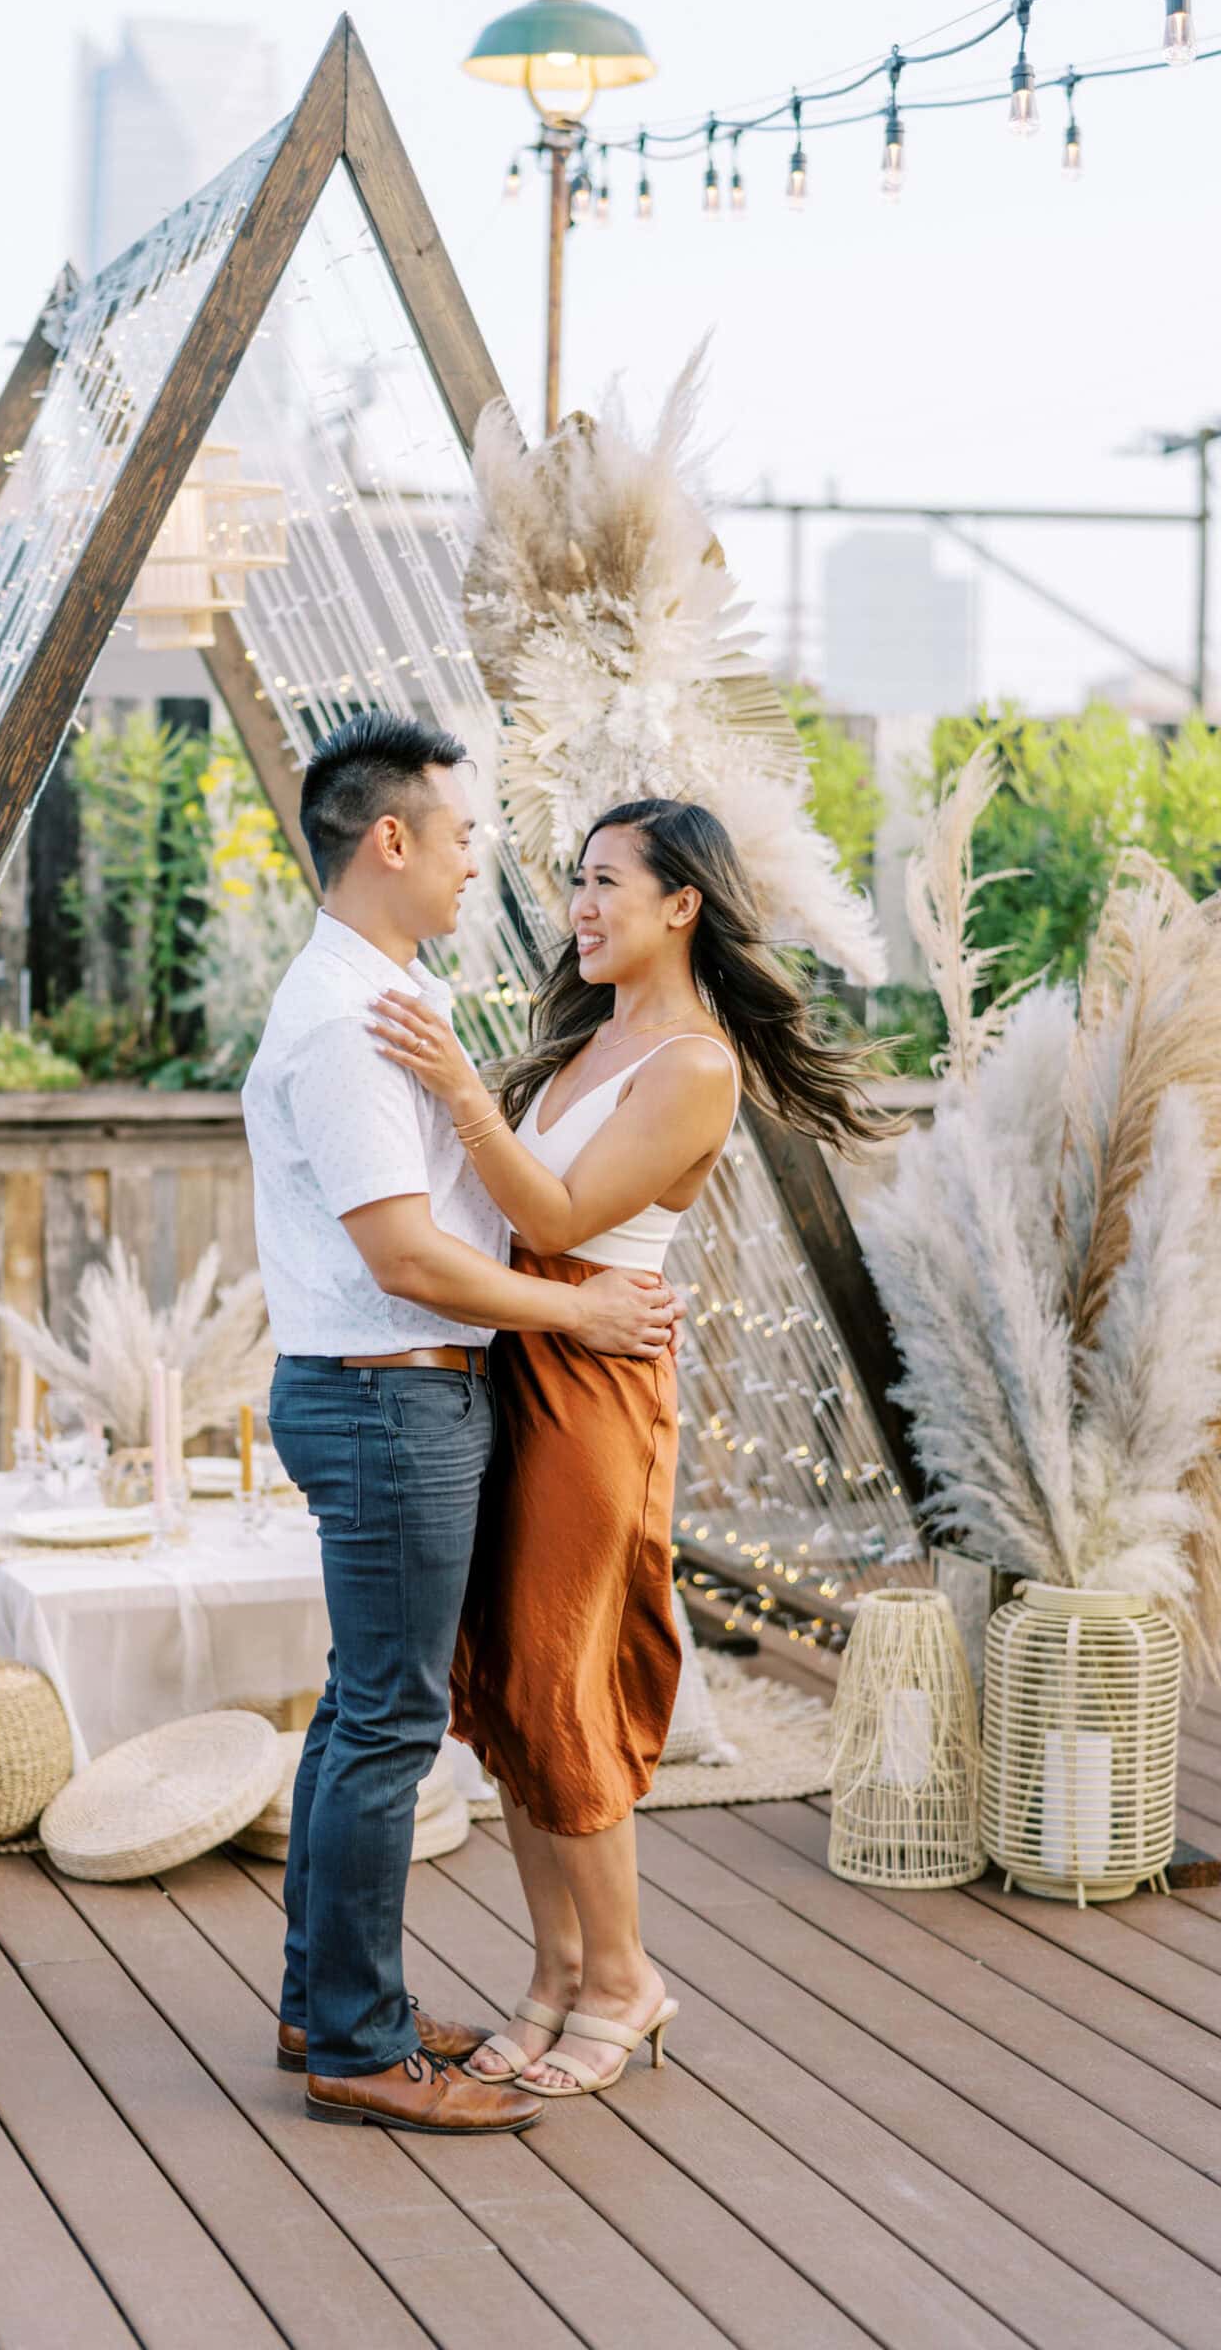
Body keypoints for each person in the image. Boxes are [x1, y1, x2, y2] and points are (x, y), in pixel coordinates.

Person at [368, 795, 884, 2097]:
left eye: (606, 882)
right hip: (514, 1360)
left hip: (591, 1398)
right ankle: (553, 1978)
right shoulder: (588, 1042)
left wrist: (453, 1085)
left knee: (563, 1685)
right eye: (574, 884)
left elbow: (554, 1205)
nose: (580, 908)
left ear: (682, 904)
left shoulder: (695, 1067)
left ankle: (628, 1980)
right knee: (503, 1695)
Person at [243, 713, 679, 2137]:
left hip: (398, 1392)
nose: (479, 862)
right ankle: (361, 2046)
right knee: (387, 1720)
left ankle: (329, 1999)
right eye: (464, 835)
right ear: (391, 841)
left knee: (362, 1709)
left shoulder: (382, 1000)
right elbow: (410, 1259)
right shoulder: (352, 1023)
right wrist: (580, 1318)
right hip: (390, 1392)